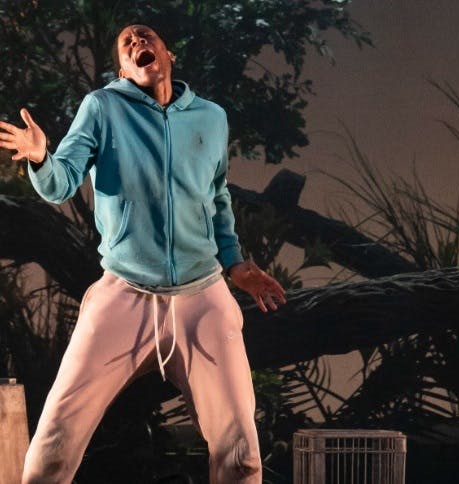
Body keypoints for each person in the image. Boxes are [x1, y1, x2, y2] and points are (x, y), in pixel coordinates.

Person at [0, 24, 287, 483]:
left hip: (202, 296)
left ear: (168, 54)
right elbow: (61, 182)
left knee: (241, 453)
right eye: (126, 43)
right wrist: (40, 157)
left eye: (144, 36)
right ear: (123, 70)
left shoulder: (211, 117)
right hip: (124, 293)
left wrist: (234, 263)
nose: (137, 42)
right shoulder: (102, 108)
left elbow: (216, 197)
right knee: (55, 440)